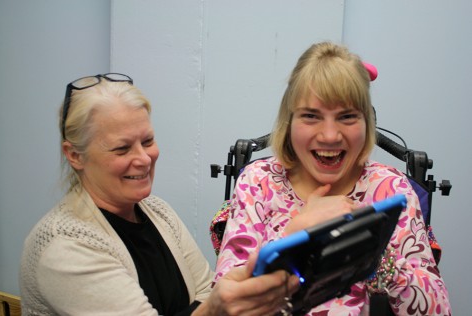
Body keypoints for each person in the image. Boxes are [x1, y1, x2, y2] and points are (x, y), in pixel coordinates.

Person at [19, 73, 299, 316]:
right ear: (74, 155)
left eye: (148, 141)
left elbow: (206, 290)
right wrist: (215, 308)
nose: (143, 158)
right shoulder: (65, 248)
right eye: (122, 148)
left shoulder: (157, 212)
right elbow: (210, 301)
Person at [213, 42, 452, 315]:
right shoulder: (259, 181)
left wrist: (373, 256)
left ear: (366, 122)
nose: (329, 135)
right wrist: (297, 234)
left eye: (347, 117)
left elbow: (438, 310)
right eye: (311, 116)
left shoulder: (390, 187)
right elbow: (226, 303)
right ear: (289, 121)